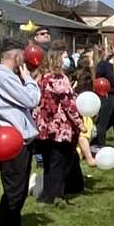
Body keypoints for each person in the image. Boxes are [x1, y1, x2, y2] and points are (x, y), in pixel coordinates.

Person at [0, 41, 42, 226]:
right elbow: (31, 99)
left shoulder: (5, 76)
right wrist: (28, 80)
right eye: (22, 56)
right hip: (12, 139)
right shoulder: (2, 76)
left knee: (21, 187)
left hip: (21, 138)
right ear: (15, 56)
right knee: (14, 188)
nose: (24, 60)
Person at [33, 53, 85, 205]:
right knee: (59, 162)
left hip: (44, 126)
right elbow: (68, 104)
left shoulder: (39, 78)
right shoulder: (59, 79)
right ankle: (55, 195)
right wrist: (79, 123)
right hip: (60, 127)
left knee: (49, 162)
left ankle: (46, 194)